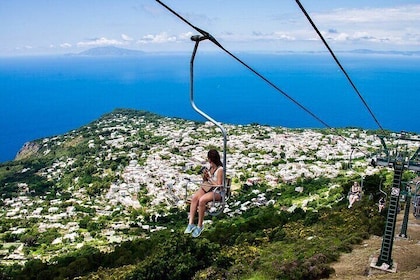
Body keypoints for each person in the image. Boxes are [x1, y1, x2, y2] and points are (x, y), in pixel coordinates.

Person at [184, 149, 224, 237]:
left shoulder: (220, 169)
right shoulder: (211, 167)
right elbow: (206, 181)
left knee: (202, 200)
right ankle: (191, 223)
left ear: (210, 159)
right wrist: (205, 176)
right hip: (209, 187)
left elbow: (219, 185)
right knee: (195, 198)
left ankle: (200, 225)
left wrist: (209, 178)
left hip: (217, 191)